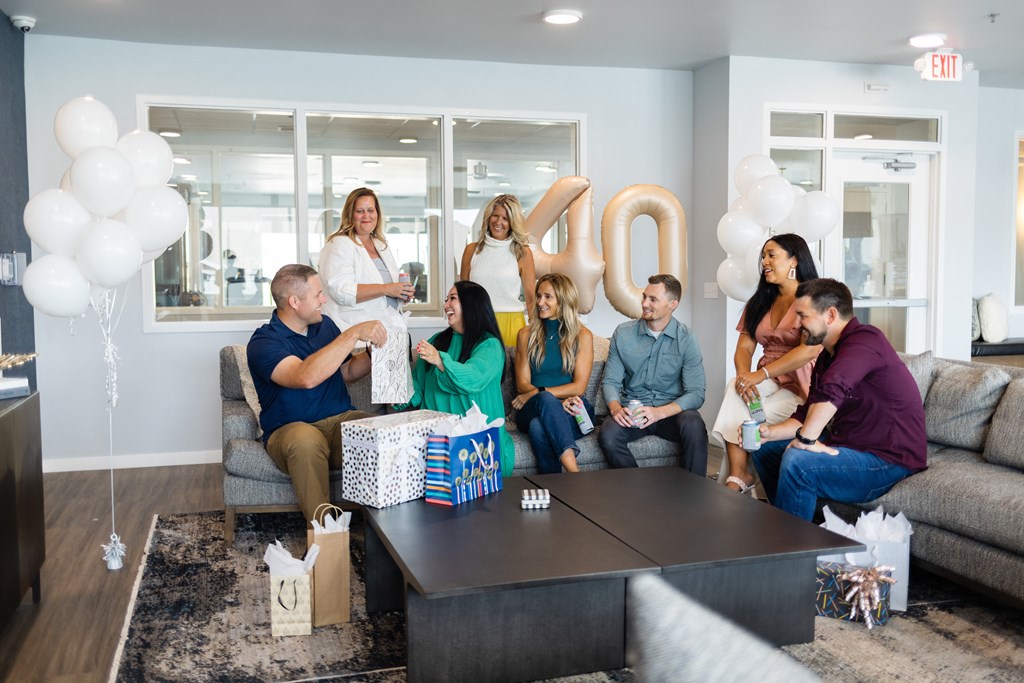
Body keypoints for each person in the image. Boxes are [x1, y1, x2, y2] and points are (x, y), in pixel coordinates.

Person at [750, 278, 927, 521]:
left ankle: (787, 551)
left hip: (889, 460)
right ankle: (792, 527)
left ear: (830, 315)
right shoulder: (827, 355)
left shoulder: (866, 341)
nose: (797, 324)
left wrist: (806, 440)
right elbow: (807, 412)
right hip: (848, 445)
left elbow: (835, 387)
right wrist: (769, 432)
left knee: (799, 460)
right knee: (766, 449)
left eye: (803, 316)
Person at [247, 264, 387, 523]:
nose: (324, 299)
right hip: (290, 430)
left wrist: (374, 352)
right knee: (306, 440)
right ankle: (325, 539)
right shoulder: (264, 343)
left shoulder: (325, 326)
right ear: (294, 302)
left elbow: (346, 371)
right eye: (318, 295)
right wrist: (353, 333)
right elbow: (305, 377)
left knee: (382, 430)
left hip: (338, 423)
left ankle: (393, 532)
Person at [711, 234, 822, 494]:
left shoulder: (813, 300)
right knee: (734, 390)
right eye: (763, 256)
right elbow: (745, 346)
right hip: (766, 380)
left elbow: (808, 352)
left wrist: (759, 375)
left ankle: (738, 479)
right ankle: (740, 474)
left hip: (800, 384)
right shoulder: (760, 301)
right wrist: (743, 379)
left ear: (794, 259)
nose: (764, 262)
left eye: (772, 255)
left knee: (743, 419)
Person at [396, 280, 516, 476]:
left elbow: (473, 377)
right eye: (446, 300)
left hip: (475, 441)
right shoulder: (438, 341)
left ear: (471, 305)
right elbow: (418, 387)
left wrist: (440, 361)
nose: (445, 305)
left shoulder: (489, 345)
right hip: (436, 439)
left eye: (452, 298)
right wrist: (394, 384)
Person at [599, 274, 708, 475]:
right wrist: (615, 408)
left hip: (670, 413)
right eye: (644, 297)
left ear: (673, 304)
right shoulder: (623, 334)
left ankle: (694, 494)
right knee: (608, 434)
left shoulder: (686, 338)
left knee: (694, 424)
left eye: (653, 299)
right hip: (634, 411)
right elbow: (611, 381)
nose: (644, 304)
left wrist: (659, 413)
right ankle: (639, 491)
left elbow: (696, 393)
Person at [511, 273, 595, 474]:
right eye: (539, 296)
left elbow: (579, 387)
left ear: (564, 300)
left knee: (539, 428)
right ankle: (575, 475)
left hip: (574, 408)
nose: (540, 302)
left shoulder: (583, 336)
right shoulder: (526, 334)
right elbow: (523, 384)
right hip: (531, 407)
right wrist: (548, 399)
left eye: (548, 297)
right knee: (546, 401)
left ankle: (554, 488)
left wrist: (543, 394)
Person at [318, 187, 415, 331]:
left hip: (388, 329)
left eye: (370, 210)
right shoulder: (339, 244)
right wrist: (388, 289)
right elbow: (342, 291)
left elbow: (387, 291)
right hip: (353, 330)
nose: (366, 216)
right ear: (350, 215)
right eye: (359, 211)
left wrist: (401, 293)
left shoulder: (381, 245)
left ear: (377, 213)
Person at [460, 194, 536, 346]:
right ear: (488, 217)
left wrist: (537, 333)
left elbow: (531, 298)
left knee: (510, 370)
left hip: (511, 323)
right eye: (495, 216)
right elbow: (463, 296)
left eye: (505, 218)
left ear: (513, 222)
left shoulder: (523, 253)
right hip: (477, 323)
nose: (498, 222)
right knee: (477, 369)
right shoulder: (471, 250)